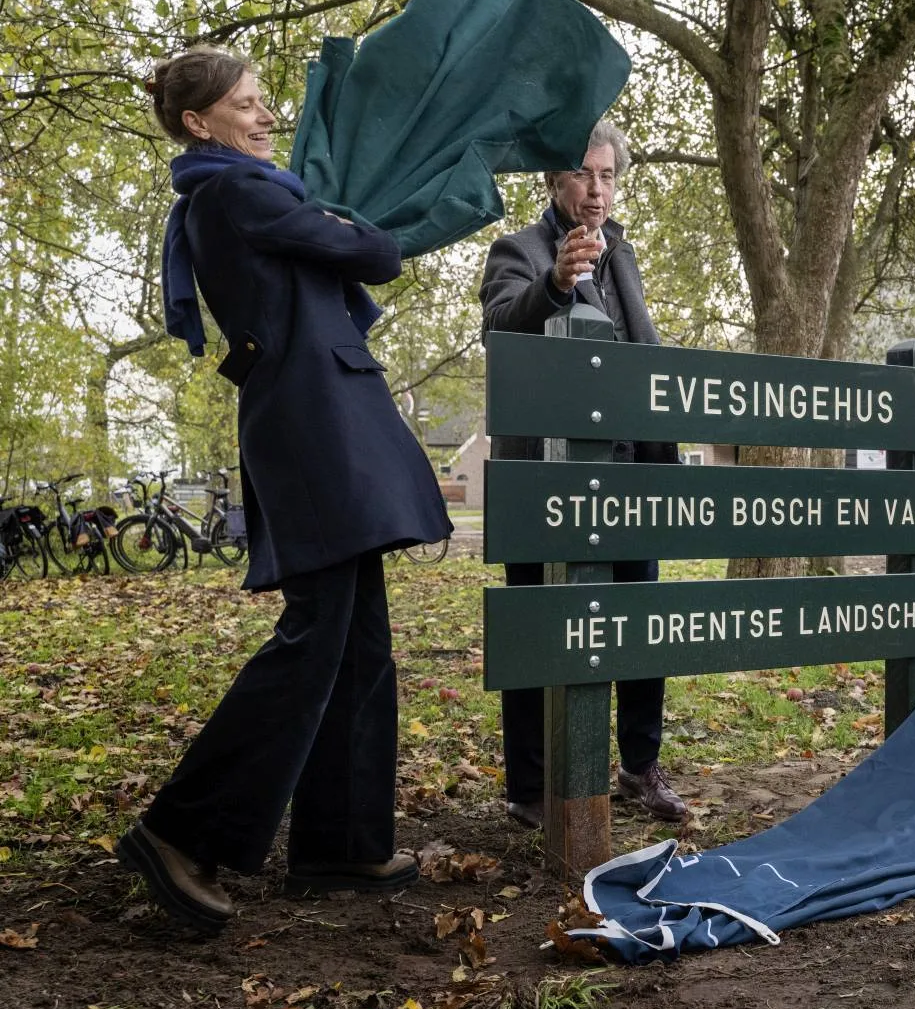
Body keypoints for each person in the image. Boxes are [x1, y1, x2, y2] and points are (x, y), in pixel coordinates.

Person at [119, 46, 452, 930]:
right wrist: (361, 225)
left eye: (267, 102)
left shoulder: (244, 190)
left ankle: (342, 841)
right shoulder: (235, 192)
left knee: (359, 642)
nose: (268, 117)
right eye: (247, 104)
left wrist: (347, 225)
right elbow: (373, 253)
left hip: (322, 424)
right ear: (200, 123)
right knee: (315, 637)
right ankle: (178, 831)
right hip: (313, 433)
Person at [479, 121, 686, 825]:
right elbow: (503, 327)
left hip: (631, 476)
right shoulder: (518, 250)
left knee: (642, 624)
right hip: (548, 483)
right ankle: (531, 789)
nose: (596, 191)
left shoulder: (623, 250)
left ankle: (639, 767)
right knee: (543, 626)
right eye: (582, 175)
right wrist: (555, 281)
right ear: (552, 181)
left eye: (607, 177)